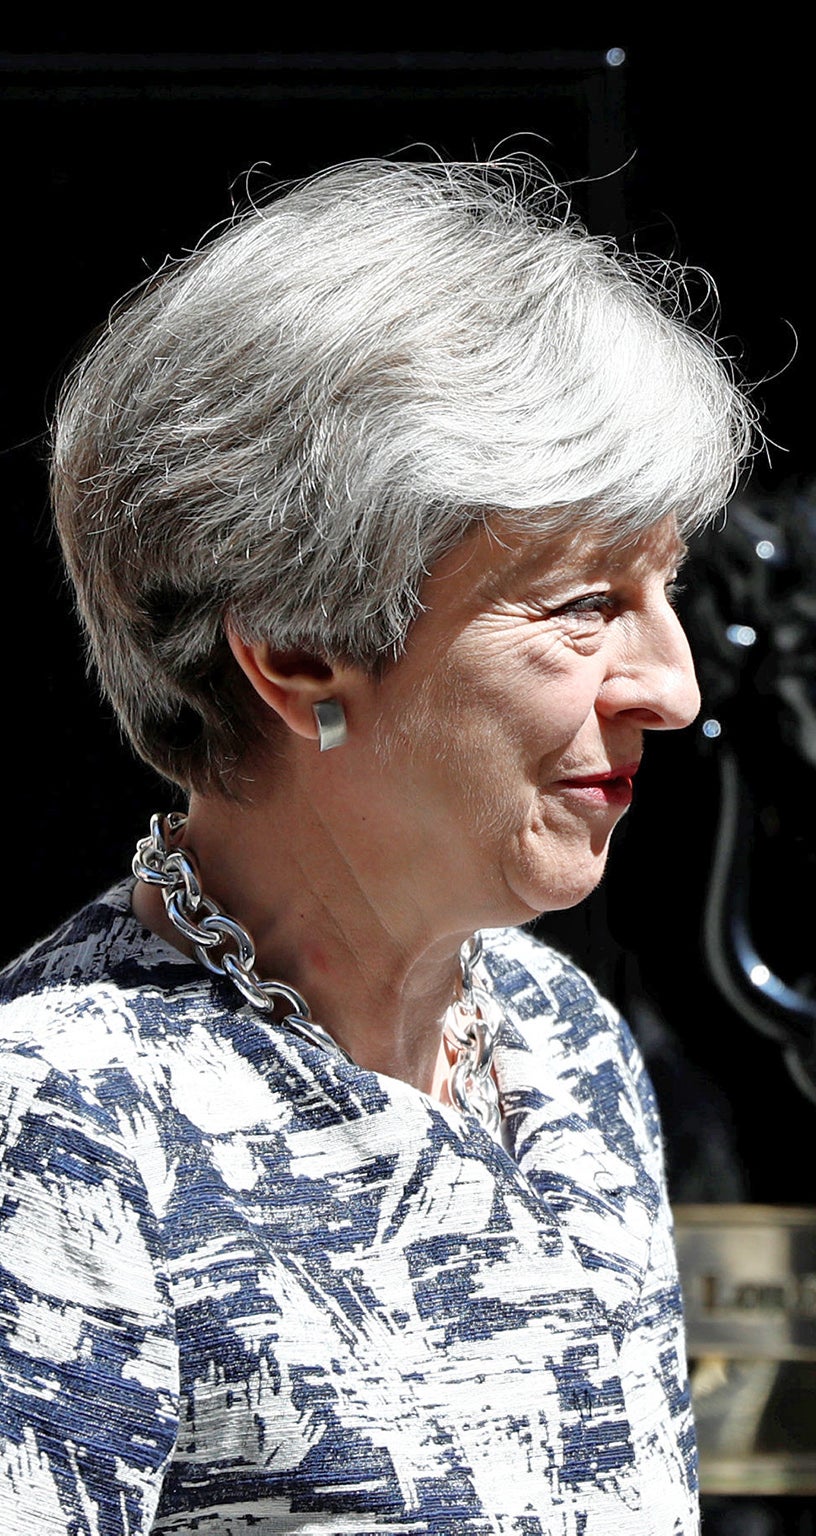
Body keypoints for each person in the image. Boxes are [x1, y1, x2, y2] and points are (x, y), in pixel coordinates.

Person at [0, 159, 753, 1532]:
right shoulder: (65, 1126)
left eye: (669, 590)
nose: (676, 685)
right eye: (585, 605)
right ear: (298, 654)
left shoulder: (558, 1034)